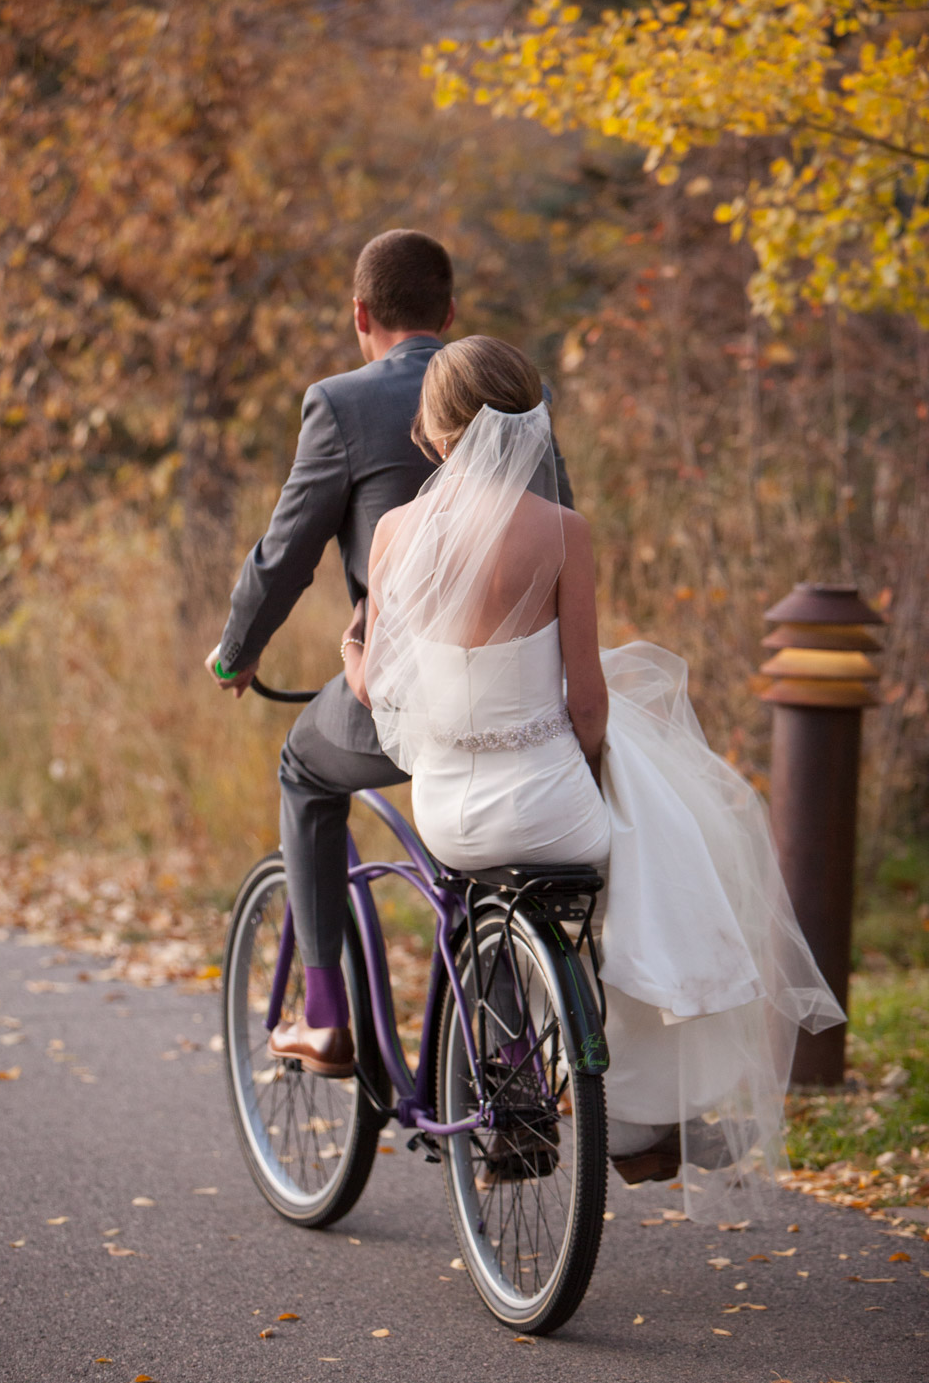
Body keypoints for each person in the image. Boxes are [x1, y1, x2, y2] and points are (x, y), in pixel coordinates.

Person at [345, 334, 845, 1223]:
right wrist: (590, 766)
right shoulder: (563, 533)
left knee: (546, 862)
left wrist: (351, 651)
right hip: (545, 813)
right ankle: (642, 1118)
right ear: (527, 421)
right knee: (650, 837)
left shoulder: (392, 535)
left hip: (446, 814)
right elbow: (587, 708)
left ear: (437, 424)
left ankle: (522, 1084)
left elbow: (382, 689)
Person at [206, 232, 573, 1080]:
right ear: (450, 314)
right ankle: (513, 1053)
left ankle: (327, 1014)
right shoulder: (523, 397)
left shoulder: (340, 403)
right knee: (483, 856)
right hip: (520, 693)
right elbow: (558, 529)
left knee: (304, 770)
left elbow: (287, 553)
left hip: (401, 693)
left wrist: (237, 652)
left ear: (360, 316)